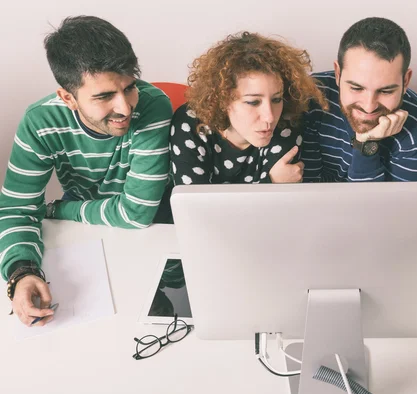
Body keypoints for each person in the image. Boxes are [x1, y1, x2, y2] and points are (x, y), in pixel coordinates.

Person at [1, 16, 173, 326]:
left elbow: (136, 213)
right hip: (89, 234)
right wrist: (21, 272)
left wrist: (58, 209)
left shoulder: (153, 105)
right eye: (104, 96)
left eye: (129, 87)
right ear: (67, 97)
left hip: (156, 230)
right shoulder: (40, 123)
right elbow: (17, 209)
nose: (125, 107)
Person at [169, 32, 327, 185]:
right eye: (253, 102)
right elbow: (193, 206)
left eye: (276, 99)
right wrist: (271, 182)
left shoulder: (287, 123)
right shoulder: (190, 123)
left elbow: (276, 209)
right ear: (223, 100)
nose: (270, 117)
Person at [301, 17, 417, 182]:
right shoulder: (310, 97)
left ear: (406, 80)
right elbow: (306, 190)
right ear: (338, 74)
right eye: (356, 88)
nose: (369, 106)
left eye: (386, 91)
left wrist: (366, 144)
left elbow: (384, 205)